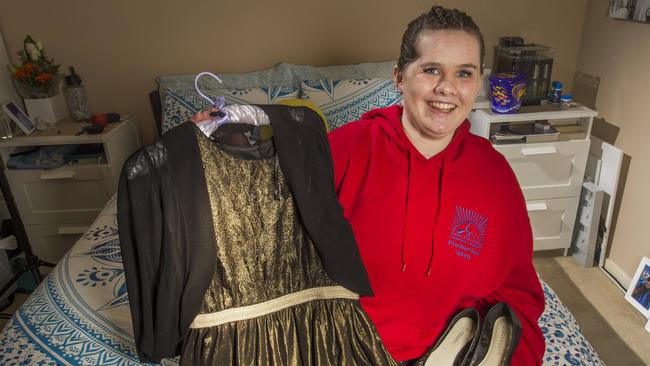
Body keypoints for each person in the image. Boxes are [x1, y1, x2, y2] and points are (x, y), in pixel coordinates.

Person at [193, 6, 545, 365]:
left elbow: (518, 293)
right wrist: (219, 150)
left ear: (478, 82)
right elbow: (263, 212)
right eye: (431, 69)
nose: (447, 88)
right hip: (344, 346)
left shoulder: (494, 176)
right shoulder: (347, 148)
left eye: (464, 73)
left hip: (449, 348)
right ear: (399, 77)